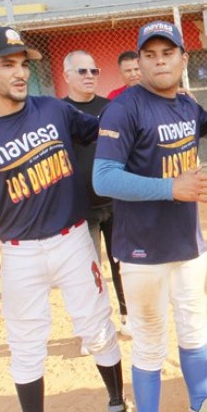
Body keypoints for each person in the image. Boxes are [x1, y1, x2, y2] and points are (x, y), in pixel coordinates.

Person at [0, 27, 136, 412]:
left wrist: (145, 107)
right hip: (19, 254)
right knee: (27, 345)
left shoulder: (53, 110)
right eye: (7, 64)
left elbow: (104, 131)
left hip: (72, 241)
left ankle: (119, 406)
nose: (20, 73)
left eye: (24, 64)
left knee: (97, 328)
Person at [93, 21, 207, 412]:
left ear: (184, 58)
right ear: (140, 62)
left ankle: (201, 410)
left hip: (187, 244)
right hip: (143, 248)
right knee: (149, 339)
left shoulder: (183, 103)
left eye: (168, 53)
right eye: (150, 55)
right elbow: (103, 178)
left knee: (195, 329)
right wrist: (171, 188)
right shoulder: (125, 108)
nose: (159, 61)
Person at [62, 50, 131, 338]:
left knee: (124, 265)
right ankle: (94, 328)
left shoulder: (111, 108)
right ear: (66, 76)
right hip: (81, 207)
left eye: (94, 71)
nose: (90, 76)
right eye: (82, 71)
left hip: (116, 202)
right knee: (87, 271)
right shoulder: (58, 113)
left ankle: (129, 317)